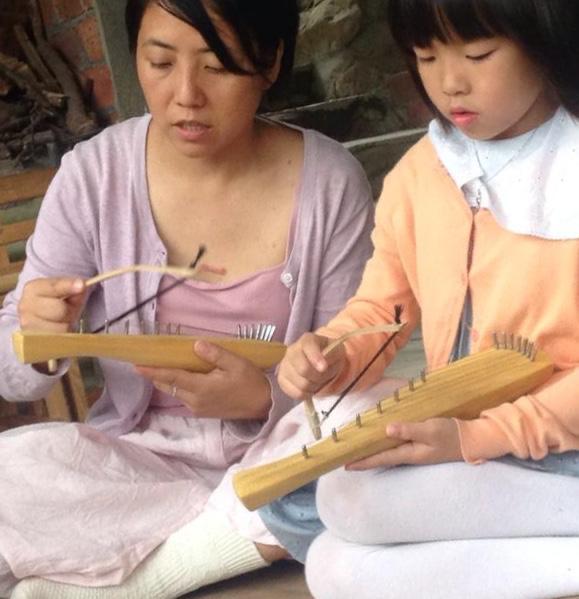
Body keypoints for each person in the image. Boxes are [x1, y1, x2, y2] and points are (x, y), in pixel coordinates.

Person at [0, 1, 375, 597]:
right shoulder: (95, 175)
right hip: (138, 466)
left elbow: (352, 367)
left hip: (279, 453)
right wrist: (37, 339)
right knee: (13, 472)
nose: (186, 96)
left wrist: (263, 398)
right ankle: (238, 539)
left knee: (369, 428)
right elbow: (12, 374)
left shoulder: (329, 182)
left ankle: (146, 577)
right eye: (160, 62)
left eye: (216, 67)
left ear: (270, 61)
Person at [272, 0, 579, 597]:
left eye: (478, 54)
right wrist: (330, 354)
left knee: (347, 501)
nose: (449, 82)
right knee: (329, 563)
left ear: (542, 37)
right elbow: (378, 314)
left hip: (558, 442)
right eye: (426, 57)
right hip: (472, 434)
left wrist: (476, 439)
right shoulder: (420, 174)